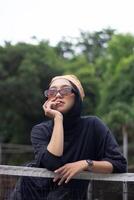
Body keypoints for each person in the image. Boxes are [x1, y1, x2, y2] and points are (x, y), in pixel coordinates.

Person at [10, 74, 127, 200]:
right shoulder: (40, 130)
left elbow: (119, 164)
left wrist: (86, 164)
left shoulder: (93, 126)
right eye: (52, 91)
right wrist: (58, 118)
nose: (58, 95)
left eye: (65, 90)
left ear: (76, 96)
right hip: (30, 194)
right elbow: (52, 162)